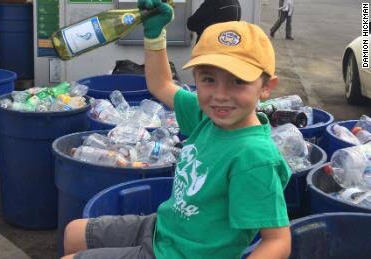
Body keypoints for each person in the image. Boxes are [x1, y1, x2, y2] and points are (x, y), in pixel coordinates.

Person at [61, 1, 292, 258]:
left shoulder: (254, 157)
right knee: (73, 232)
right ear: (196, 80)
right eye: (208, 79)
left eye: (238, 81)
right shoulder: (208, 116)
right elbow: (161, 85)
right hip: (163, 227)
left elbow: (277, 242)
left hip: (181, 254)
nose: (220, 95)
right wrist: (154, 35)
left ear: (266, 87)